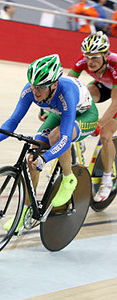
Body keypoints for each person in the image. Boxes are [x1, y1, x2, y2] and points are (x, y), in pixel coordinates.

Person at [0, 54, 98, 232]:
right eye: (34, 85)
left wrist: (46, 158)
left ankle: (68, 178)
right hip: (59, 113)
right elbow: (13, 121)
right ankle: (25, 212)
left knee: (57, 137)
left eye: (41, 87)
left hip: (85, 116)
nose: (36, 90)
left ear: (55, 84)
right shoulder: (30, 90)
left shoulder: (67, 92)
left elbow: (65, 138)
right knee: (32, 155)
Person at [67, 31, 117, 202]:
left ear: (106, 55)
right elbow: (67, 86)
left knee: (105, 135)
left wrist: (99, 124)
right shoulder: (84, 61)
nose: (90, 61)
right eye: (87, 56)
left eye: (95, 57)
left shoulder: (115, 64)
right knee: (83, 93)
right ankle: (80, 137)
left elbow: (115, 102)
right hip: (103, 86)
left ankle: (107, 179)